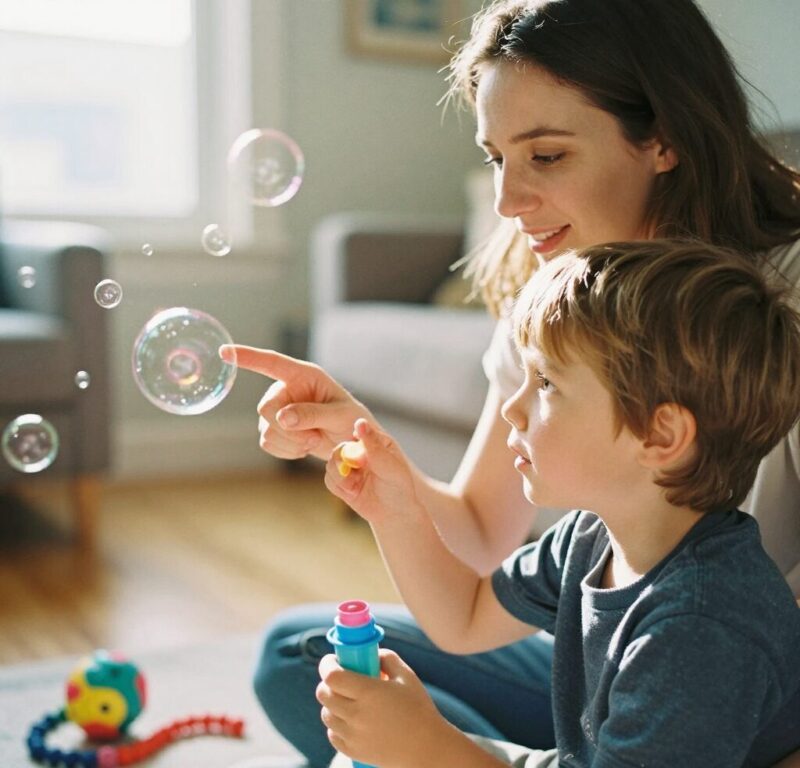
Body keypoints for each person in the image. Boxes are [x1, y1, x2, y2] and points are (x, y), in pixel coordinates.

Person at [220, 0, 800, 764]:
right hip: (618, 664)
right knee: (312, 657)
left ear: (663, 137)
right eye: (496, 158)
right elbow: (476, 554)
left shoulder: (778, 303)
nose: (506, 202)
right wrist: (370, 453)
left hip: (740, 689)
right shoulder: (559, 307)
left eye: (547, 155)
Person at [317, 240, 800, 768]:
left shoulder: (702, 626)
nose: (512, 408)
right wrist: (394, 508)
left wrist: (429, 747)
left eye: (545, 382)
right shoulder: (592, 537)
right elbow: (465, 616)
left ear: (660, 435)